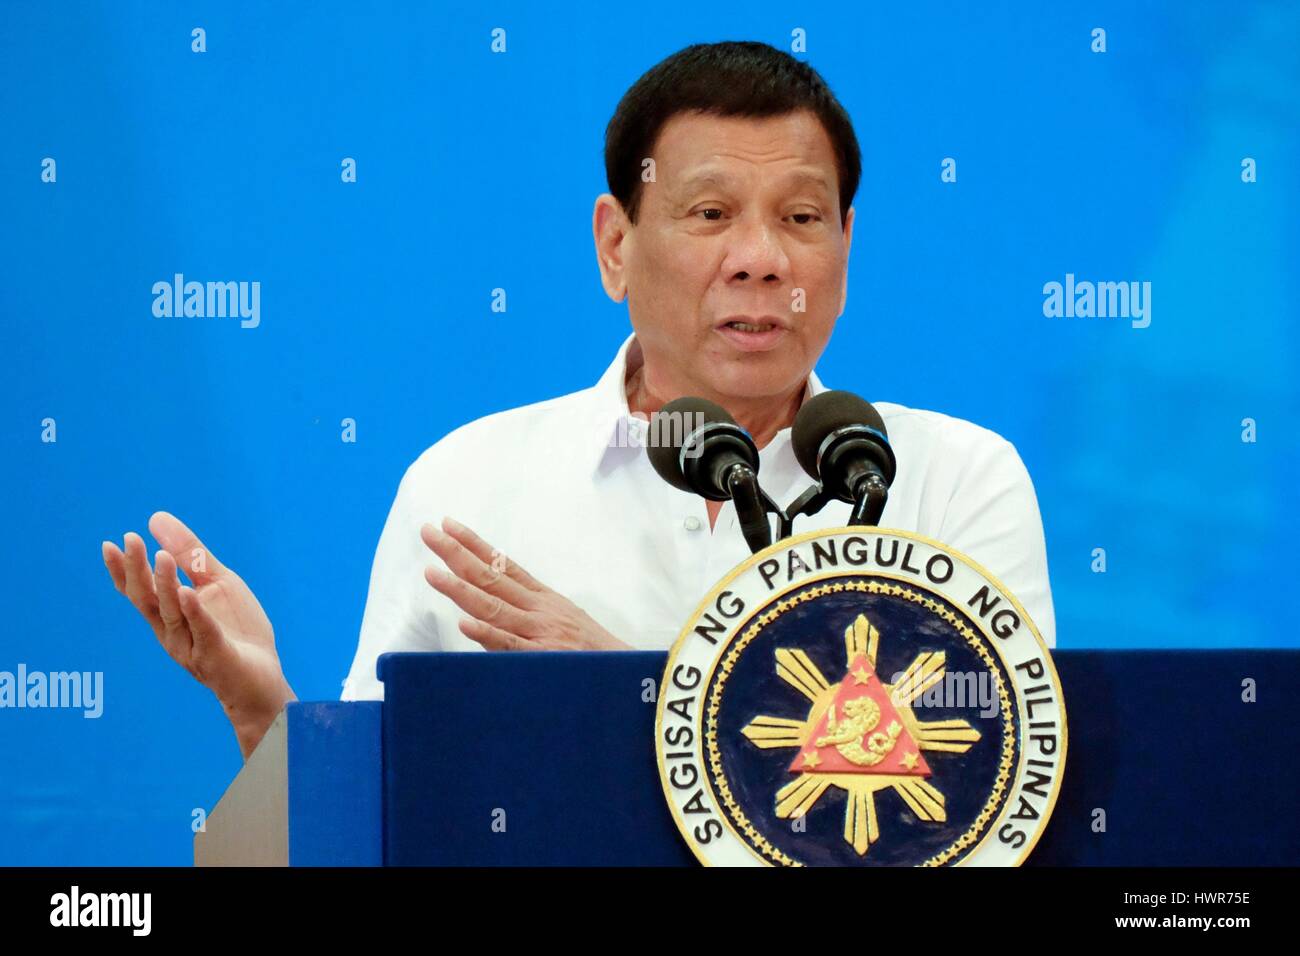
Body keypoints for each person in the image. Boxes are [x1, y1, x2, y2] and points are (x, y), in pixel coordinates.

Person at [101, 41, 1055, 760]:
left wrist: (631, 686)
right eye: (711, 213)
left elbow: (992, 791)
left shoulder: (951, 481)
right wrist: (263, 711)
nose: (761, 259)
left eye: (801, 219)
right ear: (615, 246)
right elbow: (374, 823)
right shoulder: (467, 485)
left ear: (846, 244)